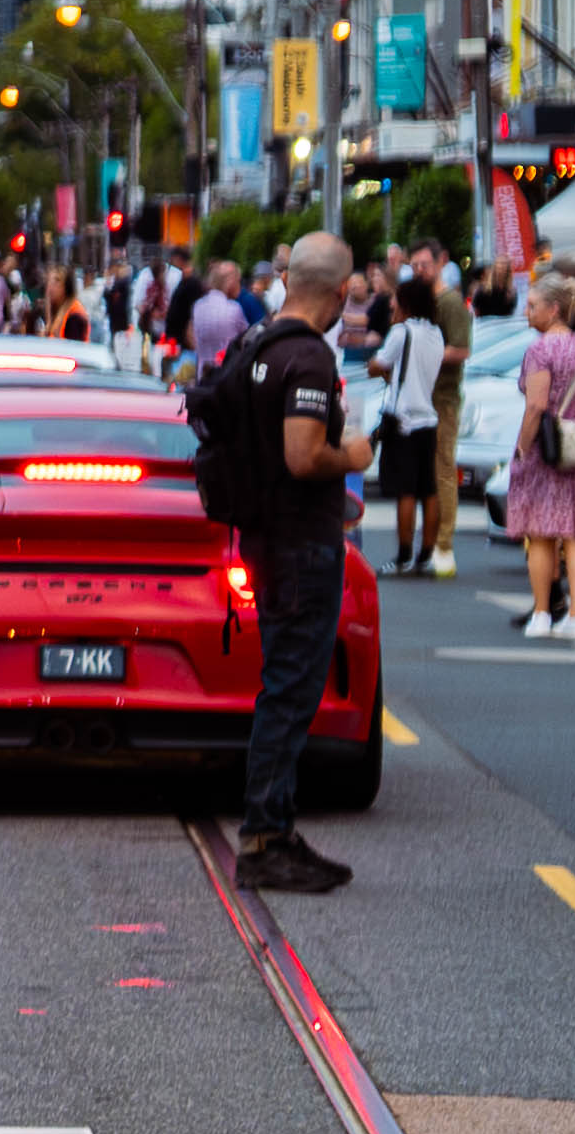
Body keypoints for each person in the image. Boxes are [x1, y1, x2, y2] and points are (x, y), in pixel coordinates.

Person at [191, 231, 362, 896]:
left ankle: (276, 829)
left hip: (262, 537)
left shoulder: (252, 343)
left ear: (287, 278)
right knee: (290, 692)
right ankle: (264, 837)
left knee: (282, 688)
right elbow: (302, 454)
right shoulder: (309, 357)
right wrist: (351, 455)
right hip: (301, 547)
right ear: (344, 292)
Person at [505, 269, 575, 637]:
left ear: (553, 309)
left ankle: (542, 614)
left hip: (543, 449)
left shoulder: (540, 349)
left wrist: (521, 448)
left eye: (532, 306)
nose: (527, 312)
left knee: (541, 534)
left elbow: (536, 406)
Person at [367, 270, 454, 578]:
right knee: (427, 490)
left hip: (402, 422)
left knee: (405, 492)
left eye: (396, 302)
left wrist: (376, 366)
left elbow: (379, 365)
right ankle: (426, 555)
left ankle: (403, 556)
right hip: (428, 419)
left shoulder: (402, 333)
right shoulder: (435, 334)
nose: (392, 307)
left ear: (406, 304)